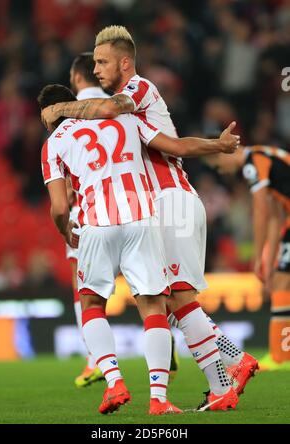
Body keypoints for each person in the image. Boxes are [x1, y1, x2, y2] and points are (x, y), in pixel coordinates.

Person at [41, 26, 249, 411]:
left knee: (175, 300)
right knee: (171, 301)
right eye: (95, 63)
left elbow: (108, 110)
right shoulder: (124, 115)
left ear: (124, 61)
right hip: (155, 206)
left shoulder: (133, 93)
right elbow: (178, 144)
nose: (97, 69)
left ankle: (233, 365)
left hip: (168, 202)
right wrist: (216, 144)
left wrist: (59, 109)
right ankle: (224, 377)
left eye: (102, 62)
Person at [38, 83, 184, 415]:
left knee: (91, 303)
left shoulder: (53, 144)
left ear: (46, 116)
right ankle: (159, 399)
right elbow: (172, 146)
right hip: (141, 218)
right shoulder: (120, 120)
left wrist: (66, 233)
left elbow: (60, 208)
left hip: (96, 224)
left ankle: (114, 381)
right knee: (152, 308)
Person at [205, 145, 290, 371]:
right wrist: (267, 260)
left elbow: (261, 211)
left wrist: (256, 256)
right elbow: (275, 218)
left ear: (225, 153)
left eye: (218, 165)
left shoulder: (253, 163)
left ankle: (281, 357)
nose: (222, 171)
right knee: (281, 282)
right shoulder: (267, 159)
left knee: (282, 283)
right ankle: (281, 355)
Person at [67, 53, 108, 388]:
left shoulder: (67, 115)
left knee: (84, 290)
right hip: (132, 207)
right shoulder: (120, 106)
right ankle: (165, 342)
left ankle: (95, 360)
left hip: (88, 213)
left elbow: (65, 177)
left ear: (78, 77)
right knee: (151, 290)